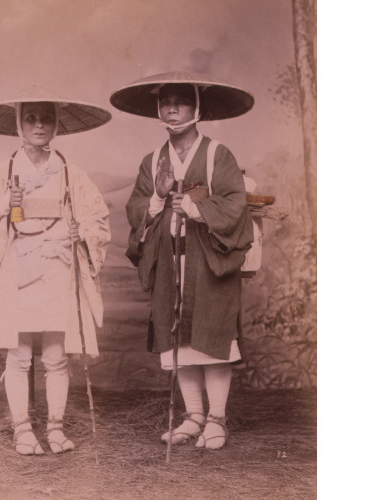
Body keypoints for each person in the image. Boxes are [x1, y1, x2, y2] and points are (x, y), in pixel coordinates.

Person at [0, 86, 111, 455]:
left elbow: (97, 218)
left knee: (57, 355)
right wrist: (2, 205)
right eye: (31, 117)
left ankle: (56, 429)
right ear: (19, 124)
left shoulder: (71, 172)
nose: (39, 124)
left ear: (56, 124)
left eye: (46, 117)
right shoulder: (4, 172)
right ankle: (23, 429)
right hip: (17, 267)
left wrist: (81, 233)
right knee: (20, 354)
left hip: (57, 265)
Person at [110, 72, 254, 449]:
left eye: (181, 100)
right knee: (181, 343)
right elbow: (136, 206)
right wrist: (157, 198)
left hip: (209, 261)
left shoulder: (217, 154)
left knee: (212, 337)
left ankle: (217, 420)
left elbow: (235, 204)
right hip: (170, 262)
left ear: (197, 107)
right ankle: (194, 417)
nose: (172, 108)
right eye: (166, 101)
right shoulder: (153, 159)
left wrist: (193, 206)